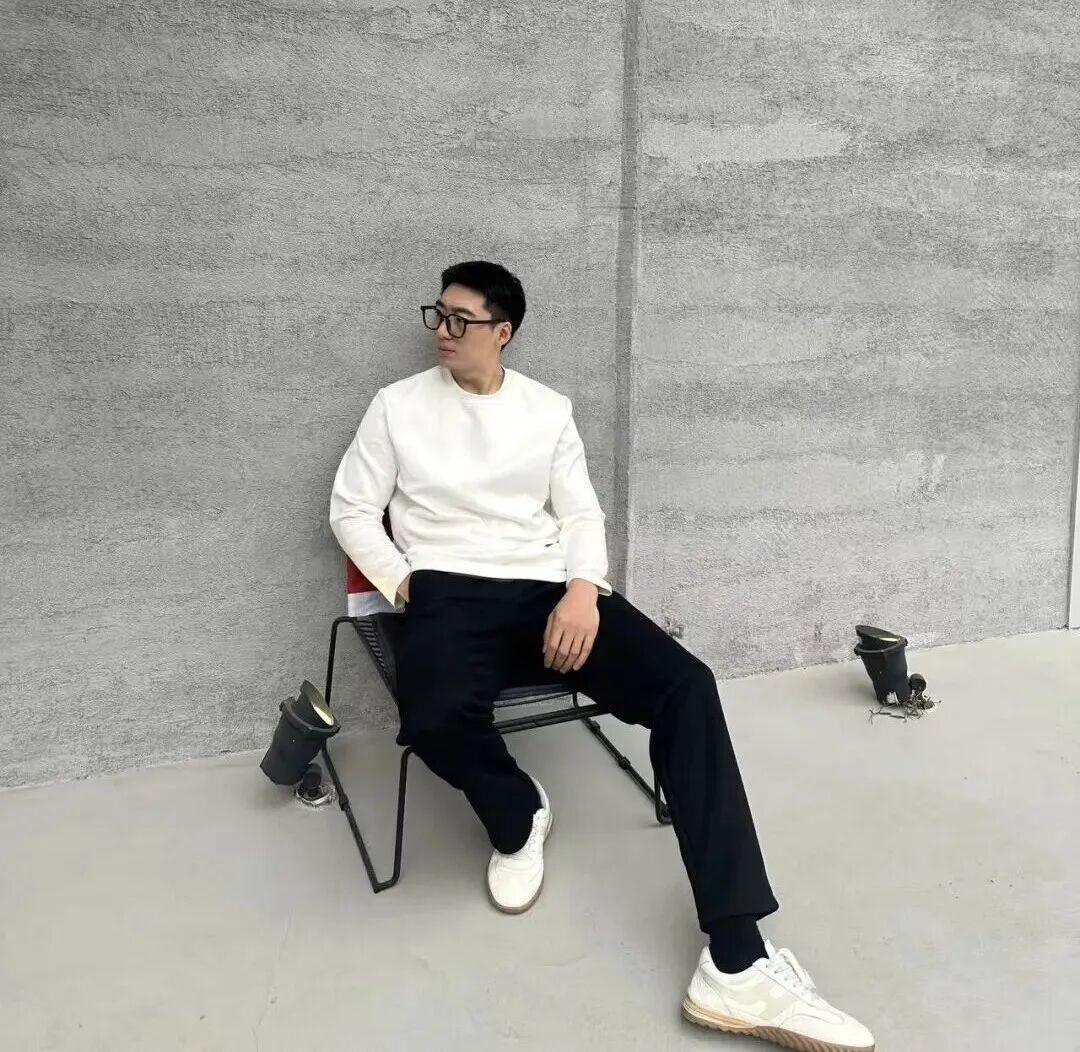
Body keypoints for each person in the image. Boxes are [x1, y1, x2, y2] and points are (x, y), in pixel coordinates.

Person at [328, 260, 875, 1051]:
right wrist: (407, 583)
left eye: (460, 320)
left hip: (549, 592)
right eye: (437, 315)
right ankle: (518, 813)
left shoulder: (547, 411)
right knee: (435, 717)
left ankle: (735, 958)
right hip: (445, 592)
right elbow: (350, 507)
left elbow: (580, 513)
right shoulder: (398, 407)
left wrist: (584, 591)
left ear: (503, 331)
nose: (442, 331)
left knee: (687, 687)